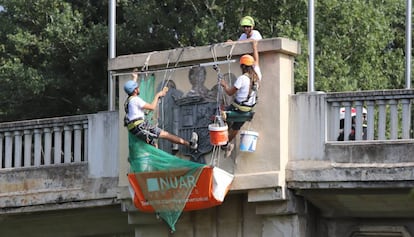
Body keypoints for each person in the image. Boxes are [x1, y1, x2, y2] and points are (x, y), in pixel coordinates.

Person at [124, 71, 198, 150]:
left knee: (154, 145)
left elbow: (131, 89)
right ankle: (190, 144)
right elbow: (152, 107)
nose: (139, 89)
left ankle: (155, 160)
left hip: (134, 129)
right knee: (167, 135)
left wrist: (135, 78)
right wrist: (158, 95)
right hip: (141, 126)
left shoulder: (128, 100)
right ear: (135, 91)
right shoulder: (136, 100)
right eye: (137, 88)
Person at [219, 41, 262, 156]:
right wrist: (255, 47)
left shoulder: (242, 78)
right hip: (248, 108)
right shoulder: (257, 76)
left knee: (221, 115)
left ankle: (225, 141)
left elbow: (229, 92)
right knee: (237, 126)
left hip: (238, 107)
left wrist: (224, 85)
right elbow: (256, 61)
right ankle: (227, 142)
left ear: (242, 66)